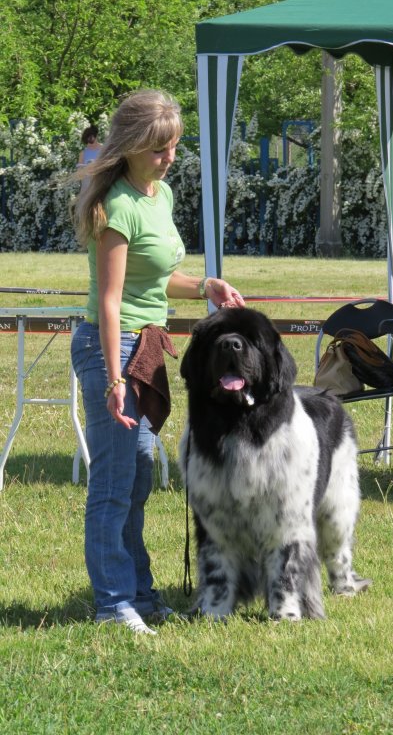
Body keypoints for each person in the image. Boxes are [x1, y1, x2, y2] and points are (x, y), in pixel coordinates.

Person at [70, 89, 245, 635]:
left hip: (145, 348)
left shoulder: (159, 195)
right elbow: (110, 300)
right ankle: (112, 603)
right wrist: (113, 380)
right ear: (129, 145)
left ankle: (140, 595)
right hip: (113, 348)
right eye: (158, 149)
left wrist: (204, 286)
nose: (168, 159)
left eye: (174, 147)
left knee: (138, 478)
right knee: (113, 484)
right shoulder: (117, 206)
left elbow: (157, 277)